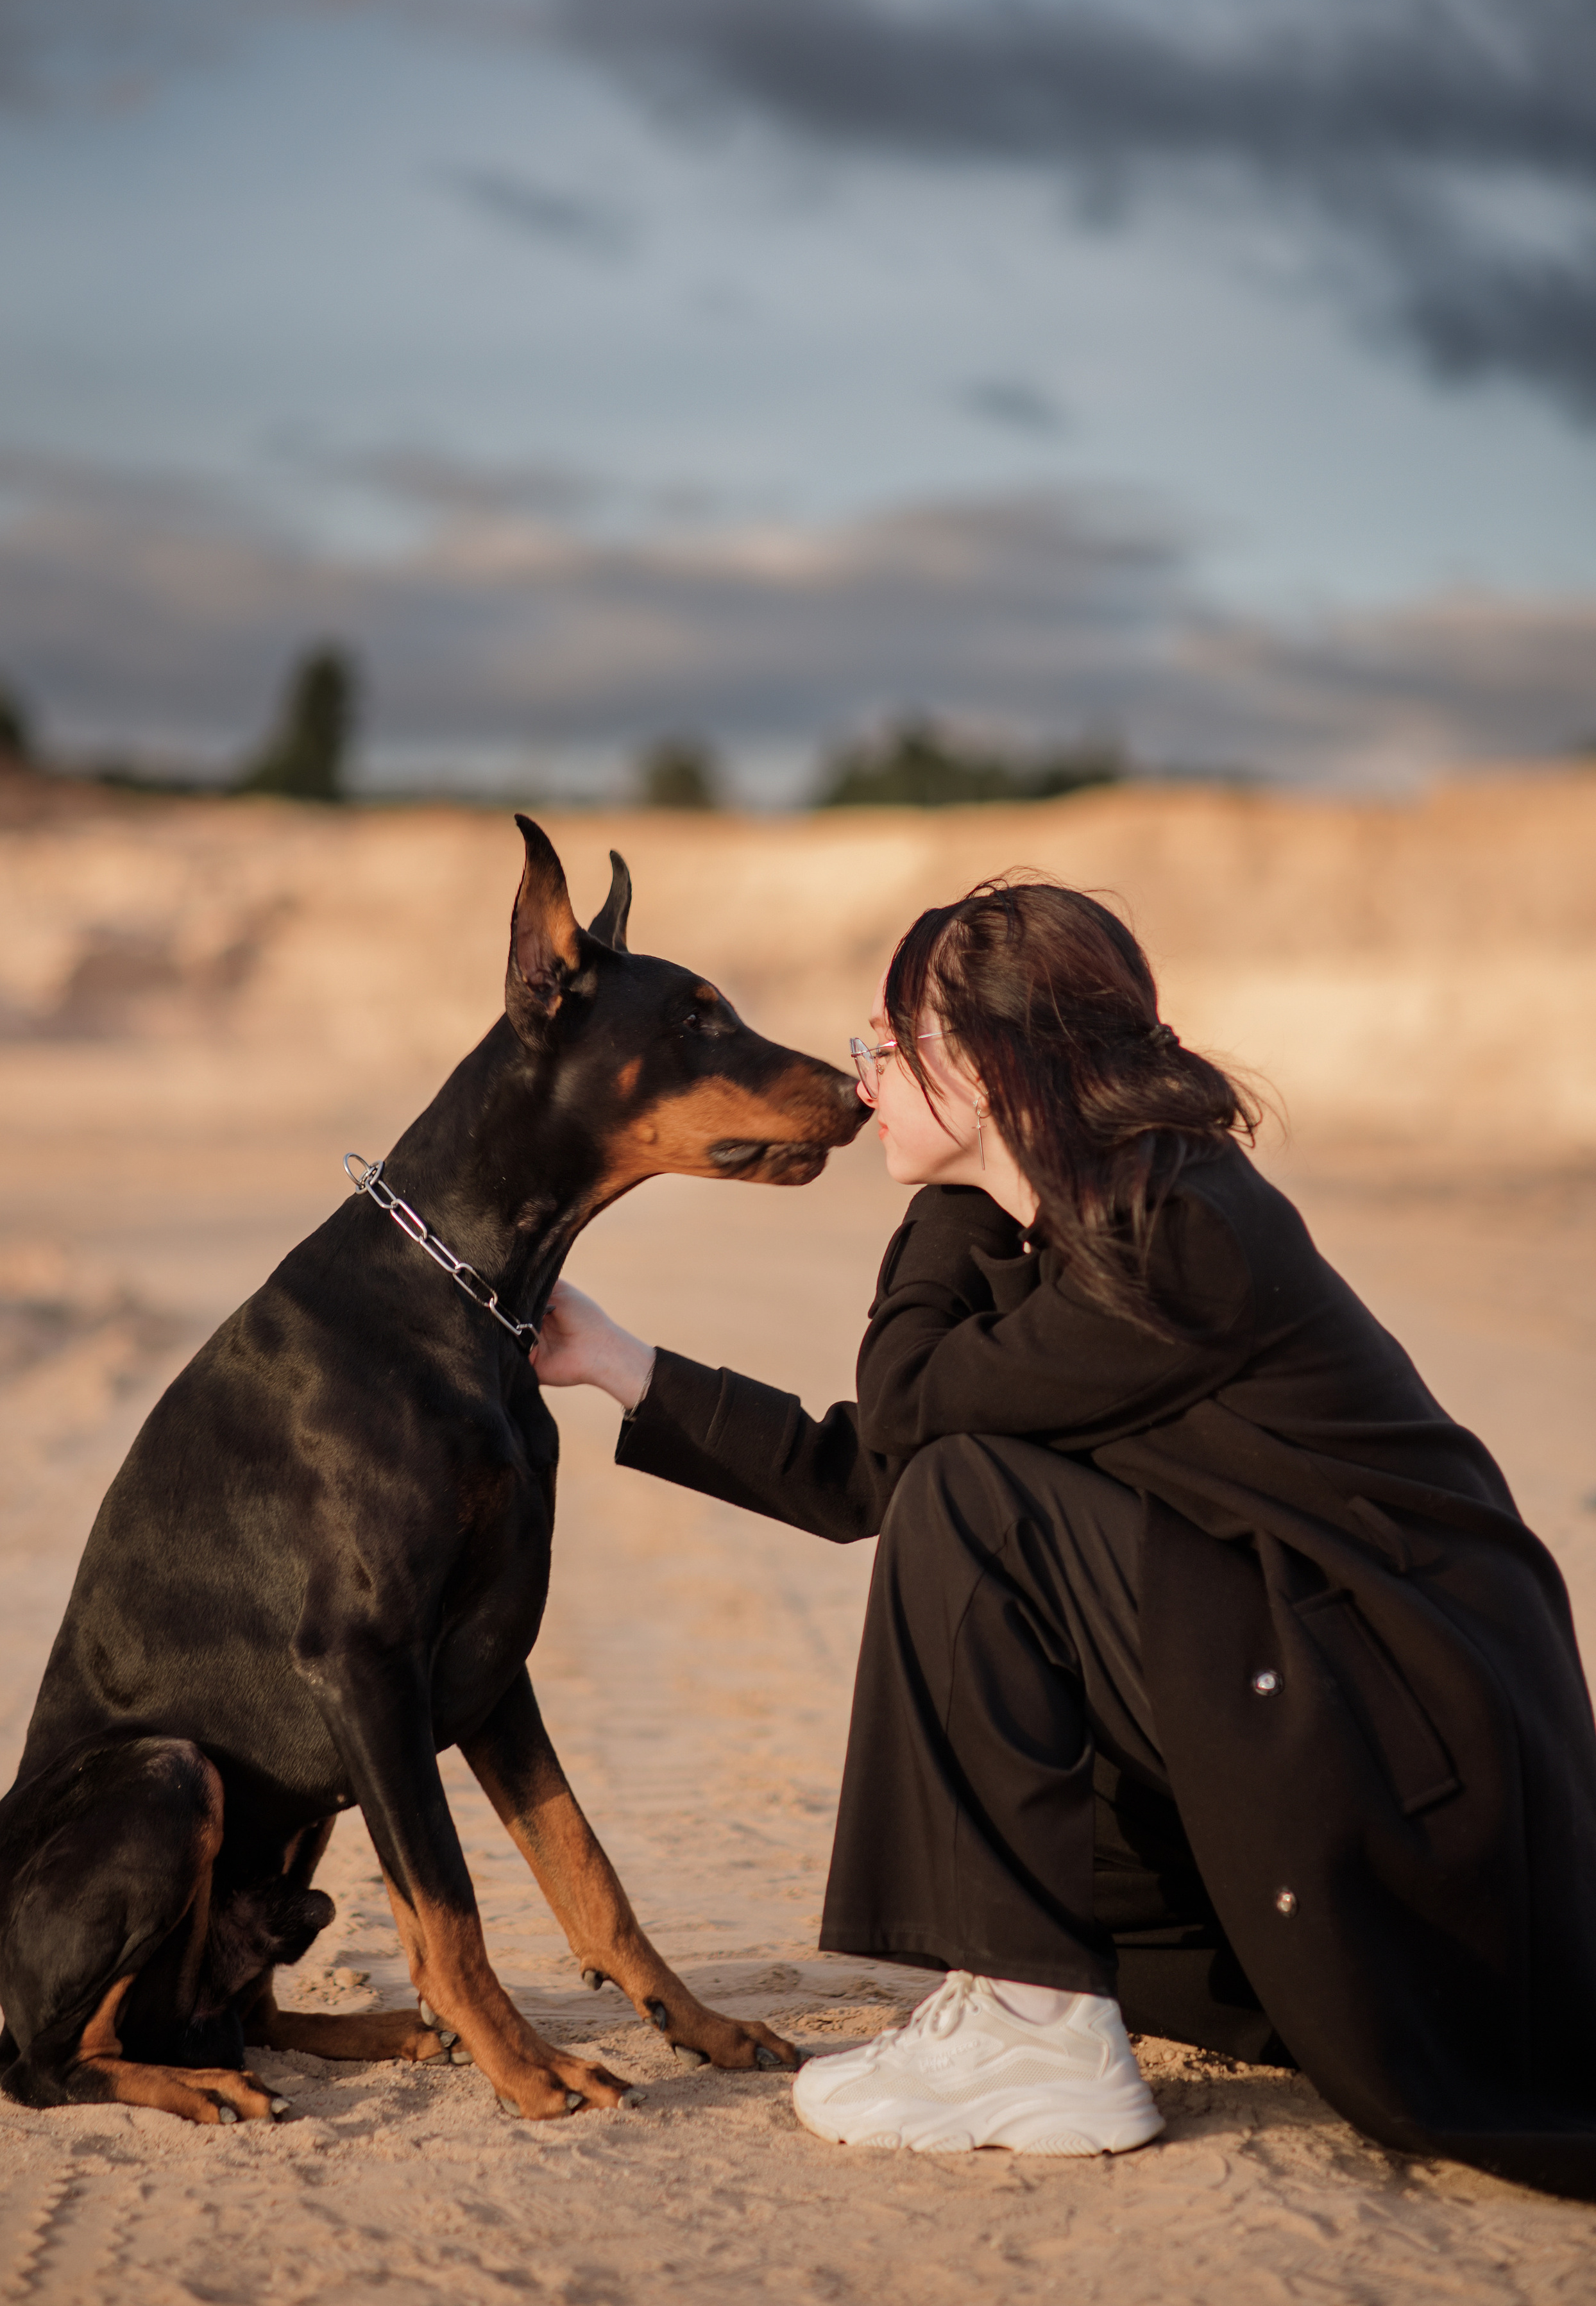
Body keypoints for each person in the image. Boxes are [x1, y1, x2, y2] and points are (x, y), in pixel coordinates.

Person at [534, 877, 1596, 2191]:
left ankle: (1035, 2032)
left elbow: (918, 1414)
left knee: (977, 1495)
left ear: (985, 1066)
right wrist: (612, 1362)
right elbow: (873, 1477)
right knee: (961, 1493)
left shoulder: (1181, 1237)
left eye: (885, 1044)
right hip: (1334, 1703)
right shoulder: (1085, 1222)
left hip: (1414, 1762)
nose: (862, 1085)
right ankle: (1014, 1995)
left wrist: (954, 1190)